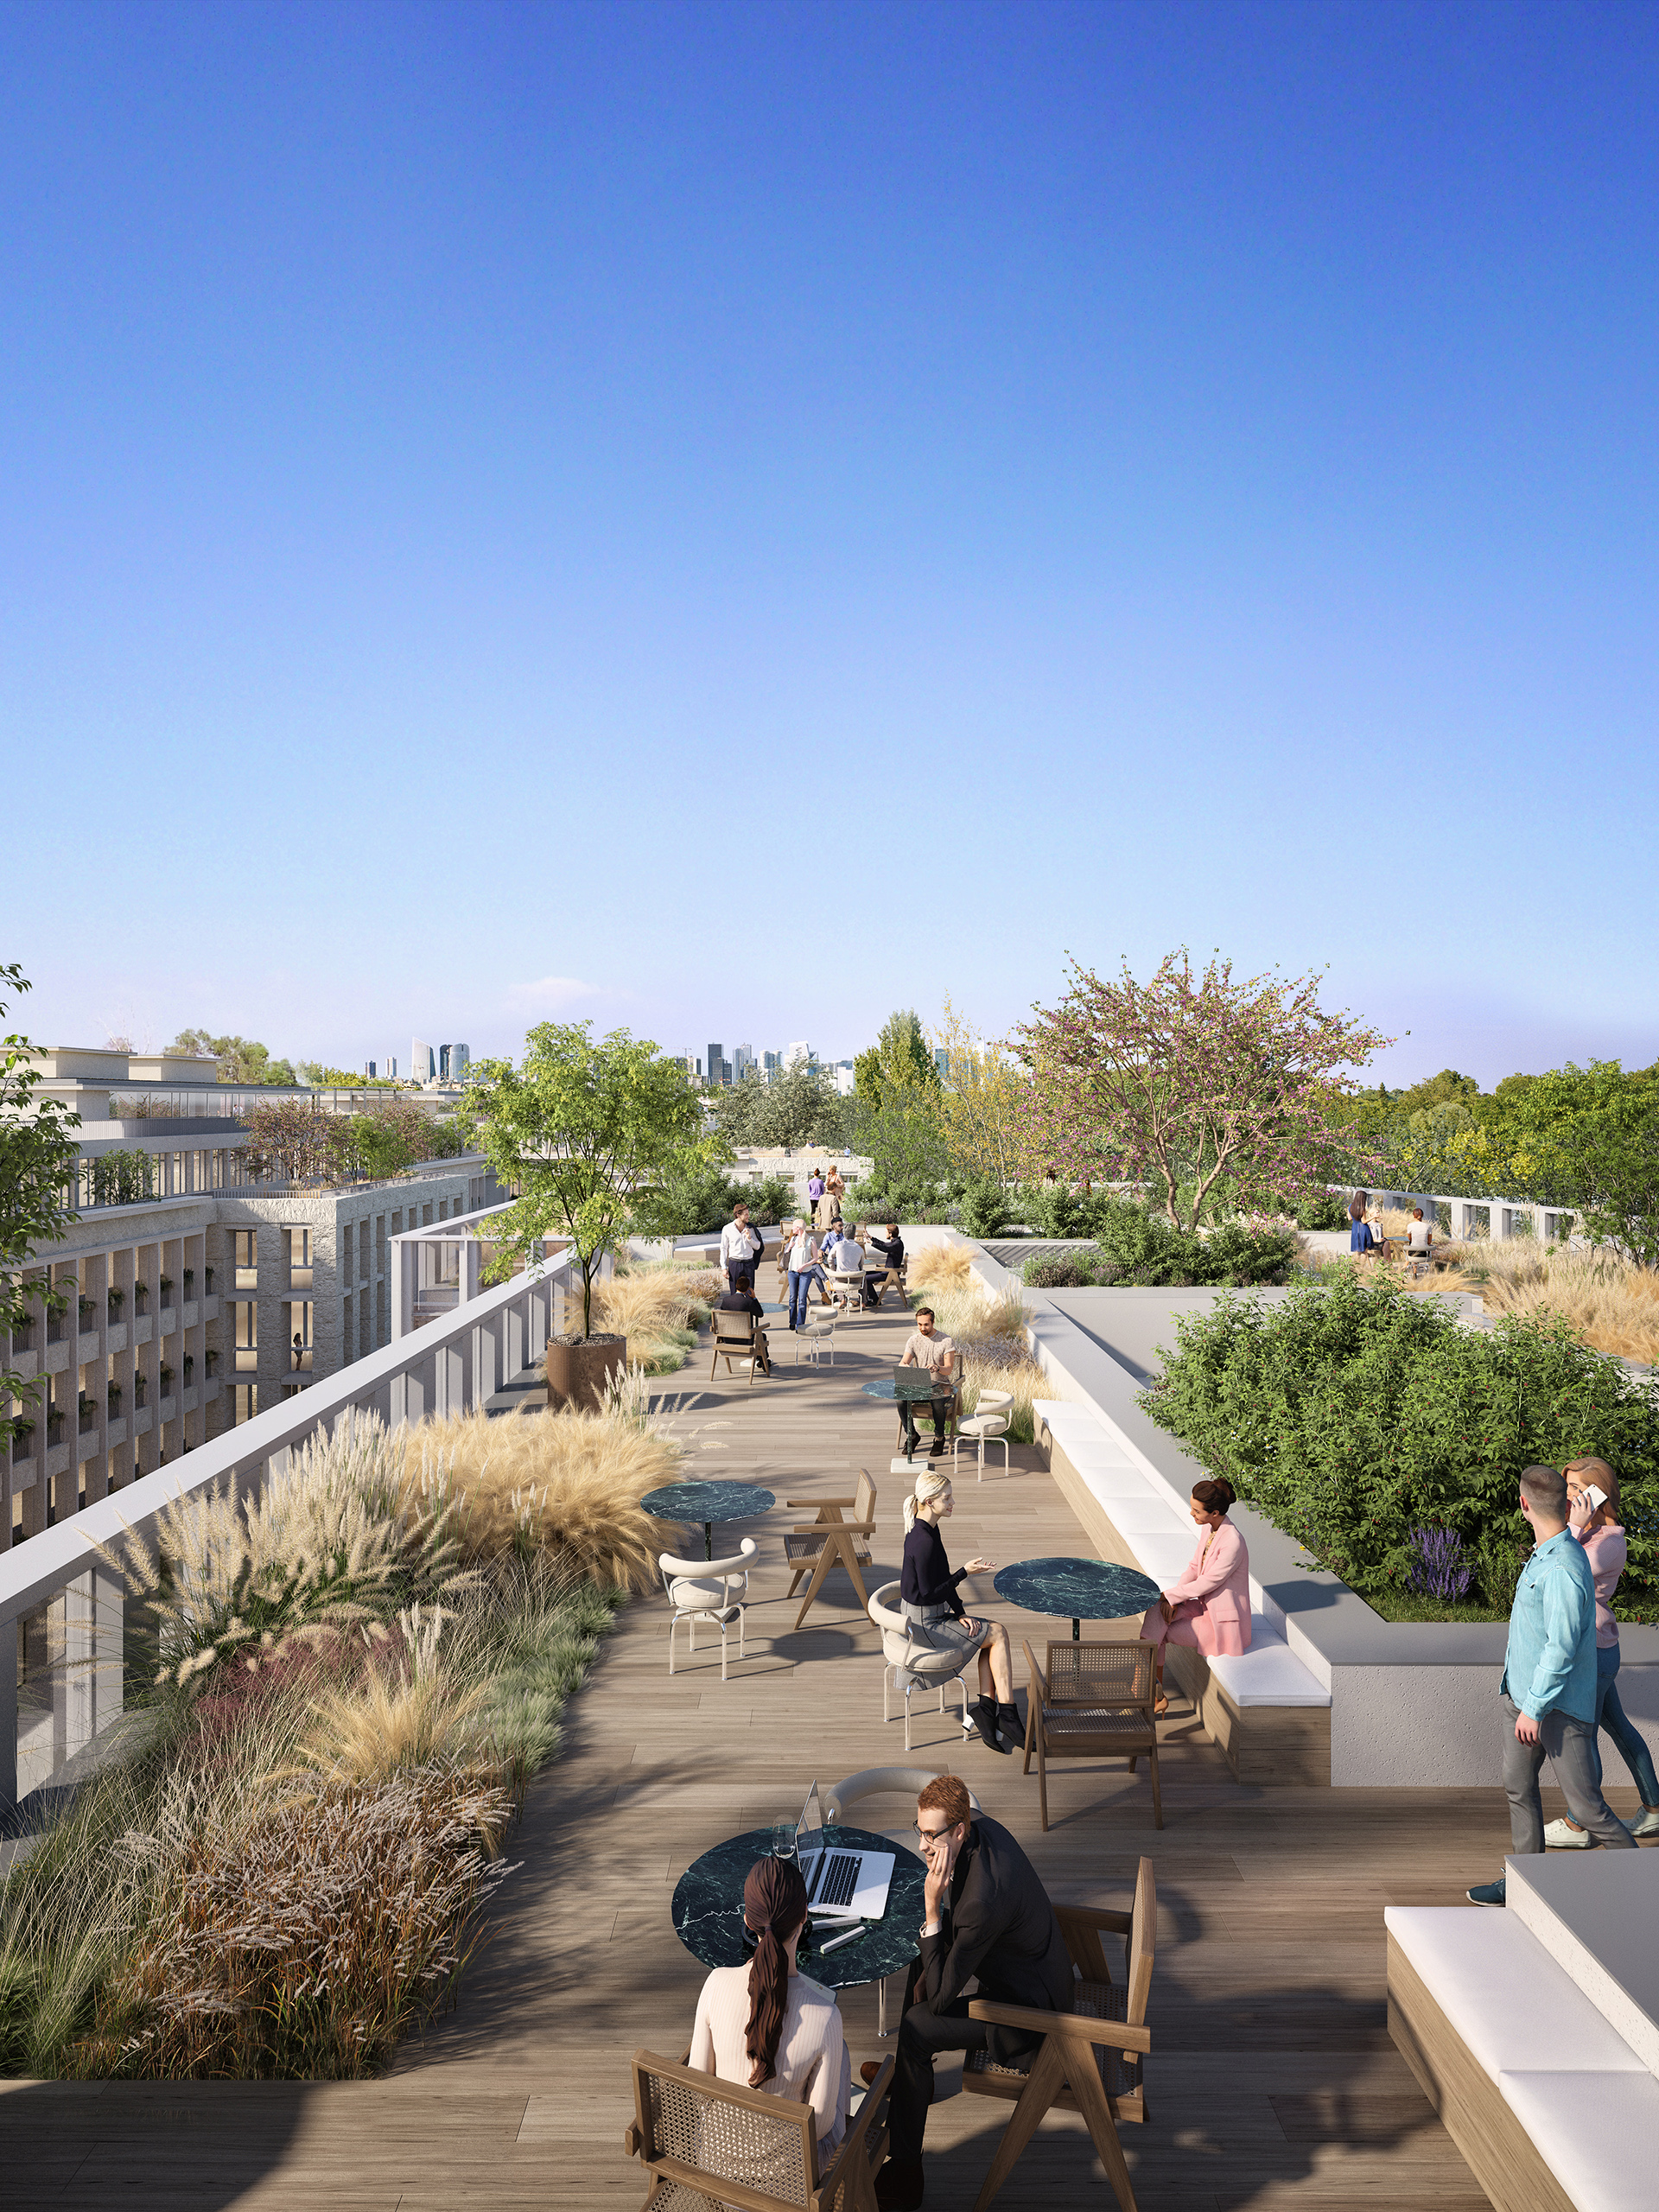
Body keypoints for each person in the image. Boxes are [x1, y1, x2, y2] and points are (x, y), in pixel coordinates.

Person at [866, 1776, 1070, 2211]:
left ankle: (906, 2171)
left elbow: (938, 2003)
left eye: (931, 1834)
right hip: (1033, 1973)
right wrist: (933, 1935)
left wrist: (932, 1908)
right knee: (925, 1952)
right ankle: (909, 2081)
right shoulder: (980, 1827)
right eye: (919, 1830)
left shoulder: (983, 1901)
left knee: (919, 2024)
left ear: (960, 1828)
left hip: (1030, 2017)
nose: (922, 1845)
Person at [1466, 1465, 1637, 1906]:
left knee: (1587, 1811)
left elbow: (1561, 1647)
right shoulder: (1545, 1552)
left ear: (1524, 1504)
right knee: (1518, 1788)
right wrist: (1518, 1698)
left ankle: (1645, 1888)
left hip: (1554, 1708)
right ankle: (1525, 1886)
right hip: (1521, 1695)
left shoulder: (1562, 1565)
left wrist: (1535, 1708)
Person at [690, 1856, 851, 2156]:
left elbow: (697, 2088)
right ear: (805, 1916)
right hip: (788, 2183)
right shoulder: (826, 2016)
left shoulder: (715, 1984)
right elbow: (820, 2126)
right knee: (839, 2050)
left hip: (715, 2164)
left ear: (748, 1922)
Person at [1545, 1458, 1659, 1846]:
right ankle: (1655, 1809)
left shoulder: (1609, 1540)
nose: (1570, 1495)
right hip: (1595, 1651)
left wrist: (1573, 1526)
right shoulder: (1580, 1533)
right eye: (1568, 1487)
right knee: (1620, 1730)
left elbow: (1567, 1567)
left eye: (1578, 1488)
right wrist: (1571, 1527)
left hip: (1592, 1651)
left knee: (1584, 1736)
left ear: (1598, 1493)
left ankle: (1581, 1823)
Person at [899, 1465, 1018, 1753]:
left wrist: (960, 1611)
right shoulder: (924, 1541)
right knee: (997, 1633)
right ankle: (1006, 1714)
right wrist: (965, 1572)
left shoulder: (925, 1527)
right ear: (930, 1501)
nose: (953, 1503)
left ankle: (988, 1712)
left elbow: (939, 1579)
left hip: (925, 1615)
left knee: (987, 1636)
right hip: (926, 1627)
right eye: (947, 1498)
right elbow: (929, 1593)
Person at [1138, 1478, 1252, 1716]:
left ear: (1215, 1512)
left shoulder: (1233, 1542)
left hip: (1220, 1620)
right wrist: (1173, 1599)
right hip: (1200, 1606)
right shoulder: (1209, 1529)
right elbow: (1193, 1567)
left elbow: (1210, 1582)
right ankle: (1150, 1693)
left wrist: (1171, 1595)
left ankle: (1145, 1692)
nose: (1191, 1513)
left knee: (1159, 1634)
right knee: (1156, 1612)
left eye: (1196, 1510)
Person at [899, 1306, 957, 1460]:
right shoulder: (914, 1340)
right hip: (920, 1385)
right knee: (900, 1400)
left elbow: (949, 1369)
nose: (922, 1328)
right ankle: (912, 1436)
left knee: (937, 1403)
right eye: (919, 1324)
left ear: (933, 1322)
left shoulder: (946, 1341)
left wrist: (937, 1367)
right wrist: (904, 1366)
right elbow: (904, 1361)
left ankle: (939, 1438)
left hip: (941, 1385)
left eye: (926, 1325)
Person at [717, 1271, 772, 1374]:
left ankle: (763, 1361)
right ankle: (764, 1361)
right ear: (747, 1289)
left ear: (736, 1286)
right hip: (745, 1341)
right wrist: (754, 1298)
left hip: (727, 1339)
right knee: (761, 1336)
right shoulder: (748, 1302)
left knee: (759, 1337)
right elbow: (760, 1314)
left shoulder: (726, 1300)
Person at [785, 1220, 825, 1329]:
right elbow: (785, 1254)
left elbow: (815, 1258)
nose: (792, 1228)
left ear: (799, 1228)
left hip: (805, 1273)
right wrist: (789, 1247)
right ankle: (792, 1321)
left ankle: (800, 1324)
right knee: (792, 1298)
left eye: (794, 1226)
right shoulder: (793, 1239)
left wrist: (804, 1266)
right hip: (792, 1272)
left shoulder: (811, 1240)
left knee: (802, 1299)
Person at [721, 1200, 765, 1295]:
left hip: (749, 1264)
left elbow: (758, 1247)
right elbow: (723, 1248)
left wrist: (749, 1239)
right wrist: (724, 1267)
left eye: (748, 1214)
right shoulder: (727, 1229)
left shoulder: (751, 1229)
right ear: (738, 1215)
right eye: (746, 1214)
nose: (748, 1216)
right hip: (734, 1264)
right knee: (734, 1293)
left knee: (749, 1293)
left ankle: (749, 1310)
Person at [867, 1223, 905, 1307]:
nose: (885, 1233)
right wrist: (871, 1238)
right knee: (863, 1274)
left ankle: (875, 1300)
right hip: (887, 1272)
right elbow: (884, 1244)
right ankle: (870, 1299)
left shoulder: (897, 1244)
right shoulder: (896, 1242)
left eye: (886, 1232)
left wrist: (872, 1243)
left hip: (889, 1274)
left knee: (865, 1279)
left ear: (890, 1234)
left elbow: (885, 1249)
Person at [1348, 1193, 1376, 1258]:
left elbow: (1349, 1218)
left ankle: (1356, 1266)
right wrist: (1373, 1217)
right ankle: (1361, 1267)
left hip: (1355, 1229)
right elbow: (1364, 1221)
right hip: (1363, 1229)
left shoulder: (1350, 1207)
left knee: (1358, 1251)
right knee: (1364, 1251)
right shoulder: (1362, 1209)